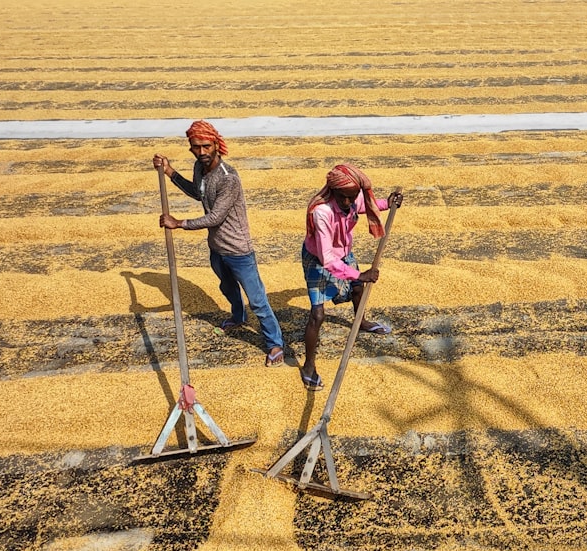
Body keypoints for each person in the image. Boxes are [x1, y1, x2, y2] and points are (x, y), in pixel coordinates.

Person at [152, 120, 286, 367]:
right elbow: (198, 193)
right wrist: (170, 172)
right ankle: (238, 317)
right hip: (216, 248)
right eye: (195, 147)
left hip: (238, 251)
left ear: (216, 145)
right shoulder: (199, 168)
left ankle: (275, 343)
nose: (201, 152)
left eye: (205, 146)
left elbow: (215, 216)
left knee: (257, 299)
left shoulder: (229, 179)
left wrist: (178, 222)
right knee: (227, 287)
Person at [300, 164, 403, 391]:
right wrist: (360, 274)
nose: (347, 203)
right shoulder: (322, 213)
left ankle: (362, 321)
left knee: (357, 289)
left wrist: (388, 203)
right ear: (332, 191)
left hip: (343, 254)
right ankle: (308, 365)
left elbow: (367, 205)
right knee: (317, 314)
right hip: (318, 258)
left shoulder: (352, 199)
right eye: (343, 198)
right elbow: (327, 260)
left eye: (351, 197)